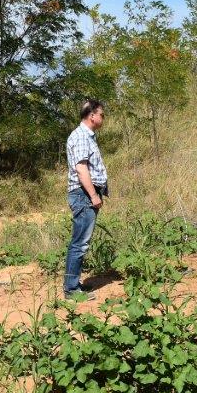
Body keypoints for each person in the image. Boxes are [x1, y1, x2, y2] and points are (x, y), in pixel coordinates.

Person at [64, 99, 108, 298]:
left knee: (80, 241)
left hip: (85, 194)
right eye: (101, 114)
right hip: (83, 195)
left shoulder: (86, 136)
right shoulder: (82, 136)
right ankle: (71, 290)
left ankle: (74, 285)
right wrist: (93, 195)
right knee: (79, 243)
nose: (103, 118)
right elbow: (81, 169)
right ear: (92, 116)